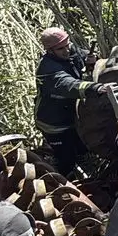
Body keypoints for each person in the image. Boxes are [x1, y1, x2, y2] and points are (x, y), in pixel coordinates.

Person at [35, 26, 110, 176]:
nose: (66, 50)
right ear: (50, 51)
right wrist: (95, 88)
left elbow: (81, 56)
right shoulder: (47, 70)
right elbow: (69, 86)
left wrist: (91, 60)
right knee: (66, 159)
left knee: (82, 148)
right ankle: (60, 180)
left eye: (67, 45)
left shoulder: (69, 50)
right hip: (55, 124)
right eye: (61, 48)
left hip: (72, 116)